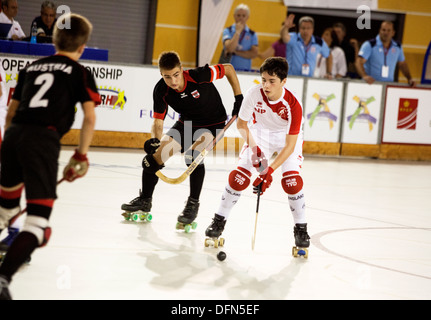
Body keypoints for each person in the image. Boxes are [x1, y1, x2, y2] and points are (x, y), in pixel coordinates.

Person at [0, 13, 100, 300]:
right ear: (82, 47)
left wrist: (12, 146)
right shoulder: (79, 72)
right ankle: (3, 279)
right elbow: (90, 118)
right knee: (38, 225)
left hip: (15, 135)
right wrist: (81, 156)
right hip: (42, 140)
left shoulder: (32, 67)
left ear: (53, 39)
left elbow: (9, 114)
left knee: (5, 209)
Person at [121, 51, 242, 231]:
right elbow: (158, 121)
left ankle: (192, 205)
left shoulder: (199, 75)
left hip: (213, 124)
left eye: (176, 75)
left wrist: (238, 97)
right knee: (154, 158)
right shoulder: (161, 89)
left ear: (182, 70)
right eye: (167, 77)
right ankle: (145, 200)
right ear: (161, 75)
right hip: (186, 123)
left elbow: (229, 69)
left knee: (193, 157)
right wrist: (154, 140)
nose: (173, 81)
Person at [205, 57, 310, 253]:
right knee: (238, 179)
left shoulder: (293, 103)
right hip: (259, 135)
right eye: (263, 80)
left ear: (284, 82)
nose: (266, 85)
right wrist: (256, 151)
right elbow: (242, 125)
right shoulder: (254, 94)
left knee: (292, 182)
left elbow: (289, 146)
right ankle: (218, 221)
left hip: (286, 138)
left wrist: (268, 170)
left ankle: (301, 229)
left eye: (272, 81)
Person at [356, 21, 414, 85]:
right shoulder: (370, 45)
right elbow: (359, 61)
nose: (386, 33)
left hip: (388, 86)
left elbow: (402, 64)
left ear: (393, 33)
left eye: (389, 30)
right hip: (370, 84)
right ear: (379, 31)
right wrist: (364, 76)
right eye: (383, 30)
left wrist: (409, 78)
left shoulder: (397, 47)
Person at [281, 14, 332, 78]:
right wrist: (285, 27)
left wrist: (329, 73)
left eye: (308, 28)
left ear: (312, 29)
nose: (305, 31)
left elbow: (329, 55)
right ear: (299, 29)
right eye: (303, 28)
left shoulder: (319, 42)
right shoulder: (293, 38)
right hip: (292, 78)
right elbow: (284, 36)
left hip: (309, 80)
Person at [220, 3, 258, 71]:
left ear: (247, 17)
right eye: (238, 15)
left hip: (245, 71)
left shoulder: (252, 34)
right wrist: (237, 32)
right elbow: (230, 49)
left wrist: (235, 52)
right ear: (234, 16)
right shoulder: (227, 31)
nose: (241, 18)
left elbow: (253, 54)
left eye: (243, 16)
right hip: (228, 71)